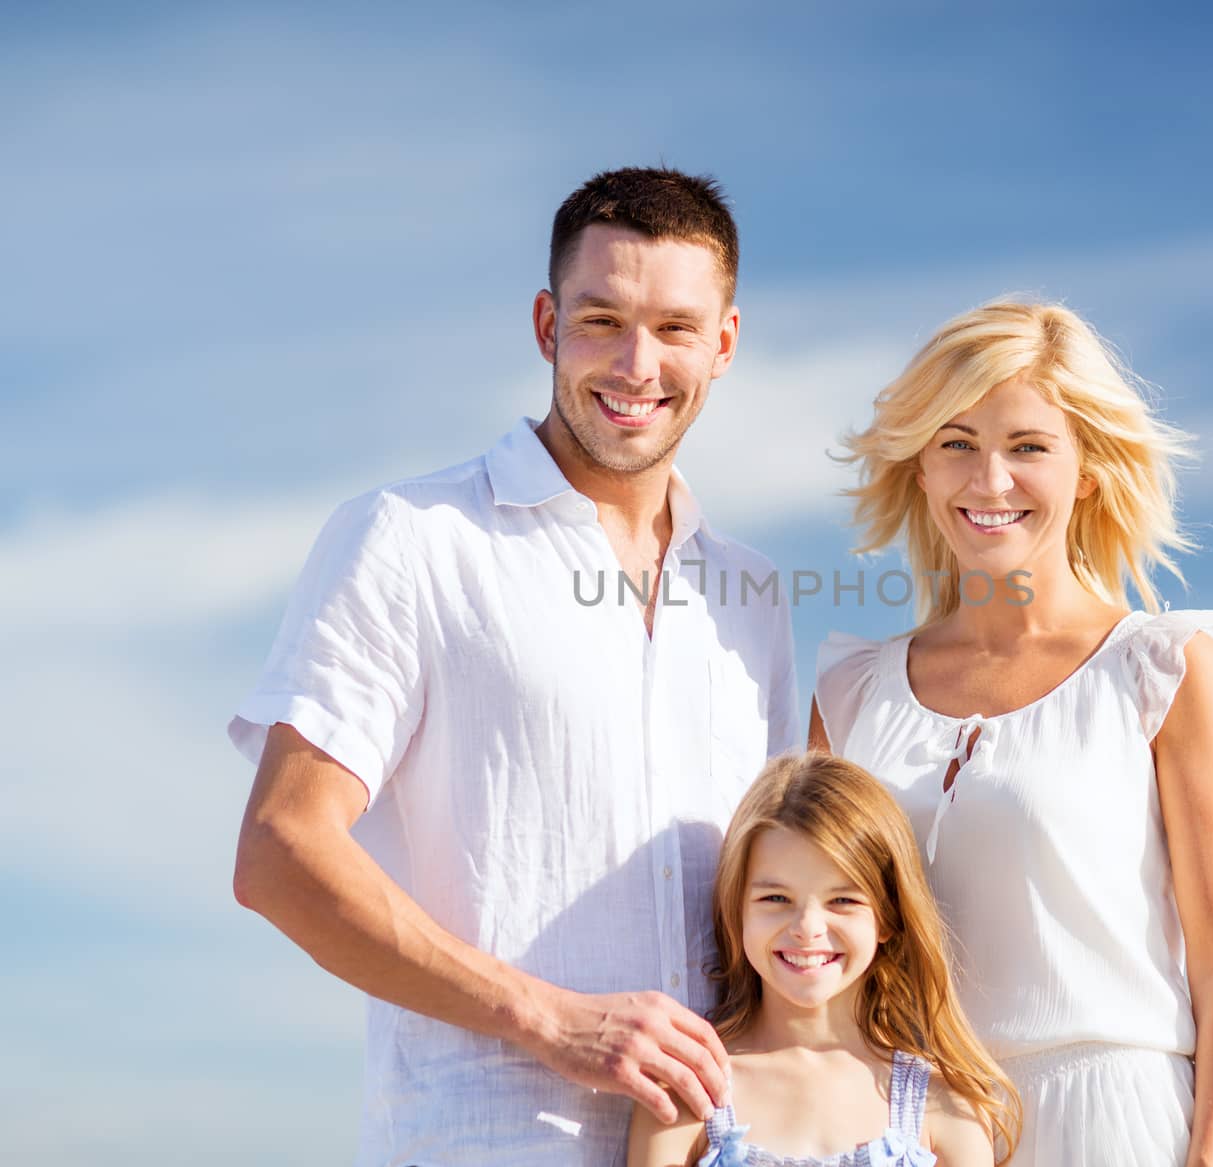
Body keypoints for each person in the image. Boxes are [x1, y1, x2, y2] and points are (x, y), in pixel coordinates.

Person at [228, 167, 800, 1166]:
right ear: (546, 325)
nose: (635, 364)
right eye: (600, 321)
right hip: (484, 1143)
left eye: (673, 328)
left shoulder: (749, 598)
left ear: (724, 344)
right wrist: (550, 1018)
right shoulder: (411, 538)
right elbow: (280, 850)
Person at [808, 300, 1213, 1167]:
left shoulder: (1163, 670)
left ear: (1086, 468)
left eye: (1028, 446)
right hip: (904, 1126)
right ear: (918, 467)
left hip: (1111, 1122)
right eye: (956, 443)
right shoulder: (849, 691)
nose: (989, 481)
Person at [627, 752, 1022, 1167]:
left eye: (843, 900)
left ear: (887, 917)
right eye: (776, 898)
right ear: (737, 907)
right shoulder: (686, 1091)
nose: (807, 926)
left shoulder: (945, 1106)